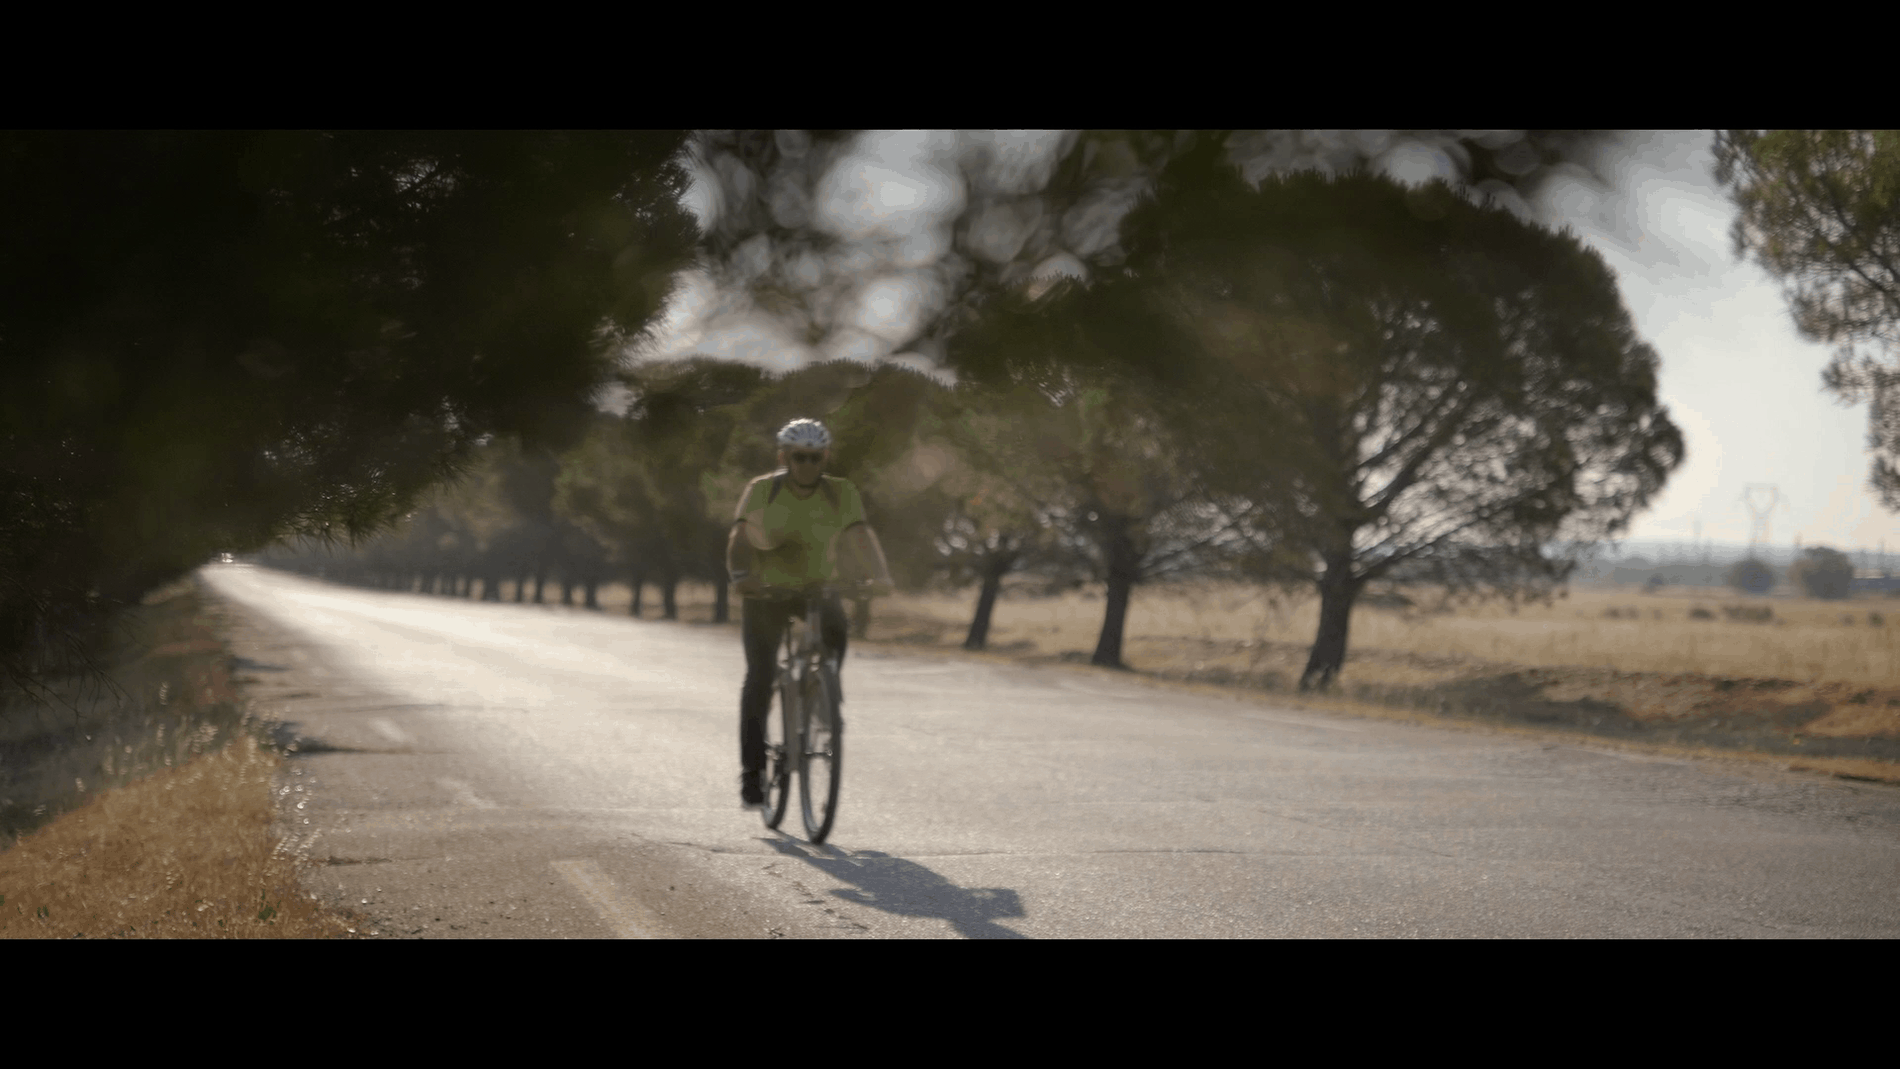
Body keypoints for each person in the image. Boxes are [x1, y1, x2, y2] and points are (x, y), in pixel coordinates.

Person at [728, 418, 893, 807]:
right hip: (766, 593)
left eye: (814, 458)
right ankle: (752, 773)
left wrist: (879, 576)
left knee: (835, 630)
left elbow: (860, 536)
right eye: (799, 458)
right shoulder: (763, 490)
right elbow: (739, 538)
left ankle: (820, 692)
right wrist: (740, 576)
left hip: (815, 588)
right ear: (784, 456)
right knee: (759, 677)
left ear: (825, 458)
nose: (806, 466)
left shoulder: (840, 493)